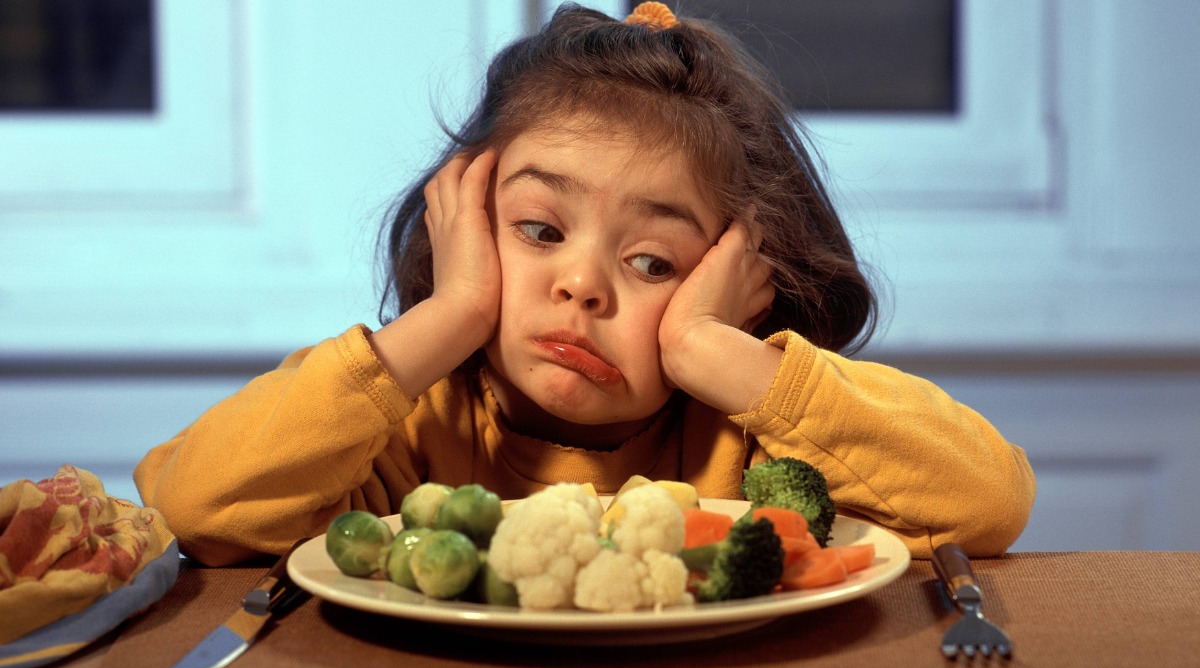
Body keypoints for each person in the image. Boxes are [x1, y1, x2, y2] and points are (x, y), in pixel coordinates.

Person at [135, 2, 1035, 566]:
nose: (582, 286)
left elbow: (990, 502)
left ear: (738, 283)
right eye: (538, 230)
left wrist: (719, 352)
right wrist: (448, 316)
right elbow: (191, 505)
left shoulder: (749, 441)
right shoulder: (412, 419)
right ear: (466, 225)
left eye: (653, 263)